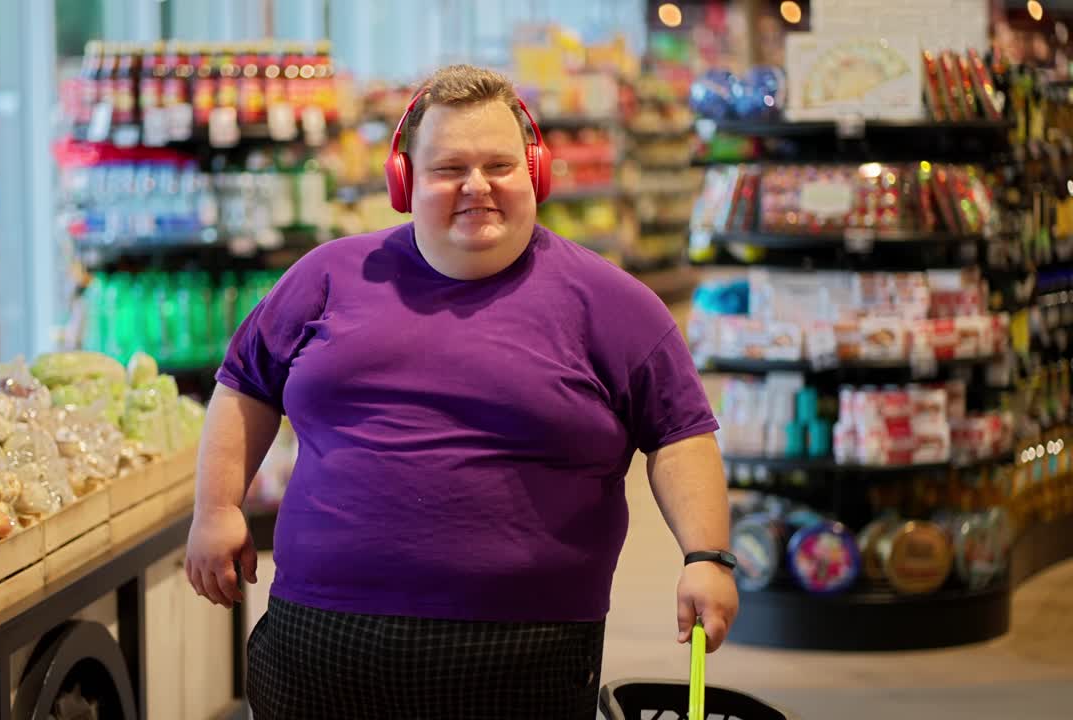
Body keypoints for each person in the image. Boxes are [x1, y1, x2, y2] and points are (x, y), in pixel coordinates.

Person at [185, 64, 737, 719]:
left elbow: (680, 432)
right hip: (318, 636)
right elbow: (244, 384)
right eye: (449, 169)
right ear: (405, 182)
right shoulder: (327, 277)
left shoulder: (611, 303)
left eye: (499, 166)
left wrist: (706, 554)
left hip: (526, 649)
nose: (477, 186)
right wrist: (217, 507)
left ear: (535, 174)